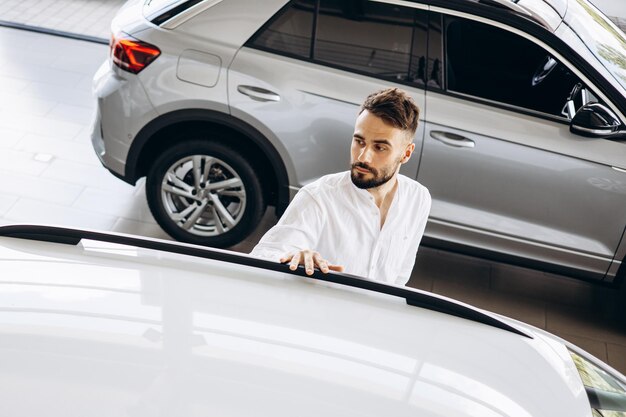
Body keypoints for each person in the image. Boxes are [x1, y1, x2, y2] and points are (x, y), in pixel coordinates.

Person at [250, 87, 431, 285]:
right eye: (359, 141)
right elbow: (264, 256)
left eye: (380, 147)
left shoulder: (418, 199)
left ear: (406, 153)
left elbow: (400, 277)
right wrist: (292, 258)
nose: (363, 157)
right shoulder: (318, 197)